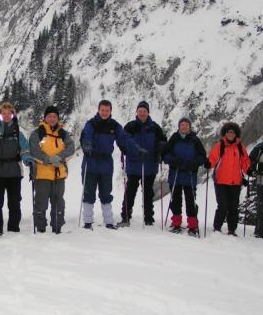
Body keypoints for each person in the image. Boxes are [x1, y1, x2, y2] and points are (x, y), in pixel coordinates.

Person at [80, 100, 140, 230]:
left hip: (106, 164)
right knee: (89, 193)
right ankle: (87, 222)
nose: (104, 112)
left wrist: (135, 148)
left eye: (107, 110)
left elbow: (124, 138)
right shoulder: (91, 124)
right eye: (102, 110)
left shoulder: (114, 126)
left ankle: (108, 221)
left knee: (106, 193)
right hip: (91, 161)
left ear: (110, 111)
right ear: (98, 110)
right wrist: (86, 145)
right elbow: (86, 135)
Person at [0, 102, 32, 235]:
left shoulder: (19, 131)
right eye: (3, 113)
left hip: (14, 171)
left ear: (13, 115)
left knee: (14, 202)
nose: (6, 116)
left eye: (9, 113)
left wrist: (28, 161)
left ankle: (13, 228)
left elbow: (25, 149)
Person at [118, 101, 166, 227]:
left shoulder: (155, 128)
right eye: (140, 111)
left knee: (148, 193)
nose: (142, 113)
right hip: (134, 165)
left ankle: (148, 218)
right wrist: (128, 151)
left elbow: (162, 140)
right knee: (130, 192)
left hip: (150, 165)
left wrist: (161, 148)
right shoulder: (130, 126)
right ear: (137, 112)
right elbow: (122, 141)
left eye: (144, 111)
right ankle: (126, 217)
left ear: (148, 112)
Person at [29, 105, 75, 233]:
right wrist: (48, 159)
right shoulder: (37, 133)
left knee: (58, 203)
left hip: (59, 174)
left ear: (58, 118)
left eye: (55, 116)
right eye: (49, 116)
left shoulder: (63, 133)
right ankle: (41, 227)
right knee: (41, 202)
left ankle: (57, 226)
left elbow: (71, 148)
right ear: (45, 118)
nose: (52, 118)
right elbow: (34, 151)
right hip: (42, 174)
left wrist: (59, 157)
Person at [162, 117, 207, 236]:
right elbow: (165, 154)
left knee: (190, 201)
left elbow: (202, 156)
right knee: (176, 200)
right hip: (176, 174)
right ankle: (176, 223)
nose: (184, 127)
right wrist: (173, 160)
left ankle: (192, 225)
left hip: (189, 174)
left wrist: (195, 163)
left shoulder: (195, 140)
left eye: (186, 125)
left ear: (189, 127)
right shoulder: (174, 138)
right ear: (179, 126)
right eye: (182, 125)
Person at [207, 122, 250, 236]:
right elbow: (213, 157)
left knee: (233, 207)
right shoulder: (220, 145)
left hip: (235, 181)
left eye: (232, 132)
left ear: (236, 134)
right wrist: (209, 163)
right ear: (225, 133)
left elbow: (245, 161)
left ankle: (232, 230)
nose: (230, 134)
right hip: (221, 180)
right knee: (222, 206)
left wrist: (248, 170)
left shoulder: (240, 147)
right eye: (228, 132)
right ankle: (217, 228)